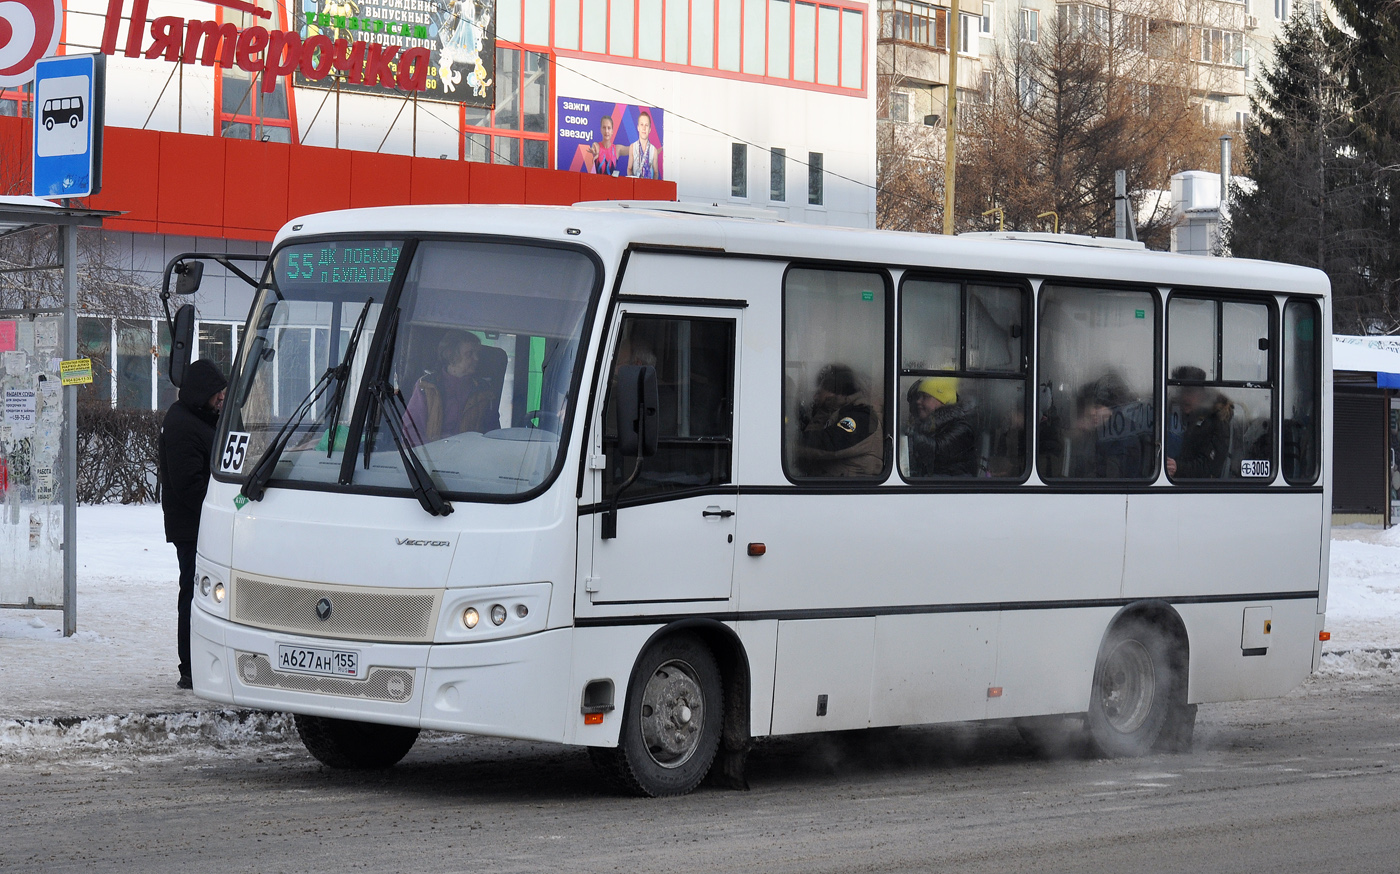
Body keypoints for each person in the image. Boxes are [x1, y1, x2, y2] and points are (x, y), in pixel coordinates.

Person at [157, 358, 227, 691]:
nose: (221, 399)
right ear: (203, 394)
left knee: (198, 592)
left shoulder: (197, 417)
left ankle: (197, 664)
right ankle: (190, 667)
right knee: (194, 594)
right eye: (218, 395)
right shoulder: (184, 424)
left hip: (197, 522)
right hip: (193, 526)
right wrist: (218, 513)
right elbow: (188, 485)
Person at [404, 331, 501, 444]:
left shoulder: (485, 391)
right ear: (451, 356)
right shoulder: (426, 386)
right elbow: (411, 431)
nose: (476, 359)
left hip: (469, 457)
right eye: (469, 354)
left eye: (477, 354)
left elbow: (492, 433)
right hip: (430, 457)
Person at [793, 364, 882, 477]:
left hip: (852, 490)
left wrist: (789, 443)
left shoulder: (862, 417)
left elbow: (829, 444)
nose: (815, 397)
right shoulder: (833, 413)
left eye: (819, 392)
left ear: (835, 393)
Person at [1166, 365, 1232, 479]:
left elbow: (1211, 467)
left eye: (1190, 392)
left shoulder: (1216, 420)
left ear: (1202, 393)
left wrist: (1178, 467)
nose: (1184, 398)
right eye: (1181, 392)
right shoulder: (1177, 415)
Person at [906, 376, 976, 477]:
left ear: (942, 401)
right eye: (918, 397)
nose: (918, 401)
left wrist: (910, 435)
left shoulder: (961, 428)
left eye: (925, 397)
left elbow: (935, 451)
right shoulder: (926, 425)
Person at [625, 110, 661, 180]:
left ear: (650, 129)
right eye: (642, 125)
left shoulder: (654, 150)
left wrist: (653, 185)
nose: (644, 128)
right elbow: (629, 168)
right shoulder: (632, 147)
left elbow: (656, 172)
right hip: (635, 186)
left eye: (646, 125)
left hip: (648, 187)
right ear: (638, 127)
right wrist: (632, 180)